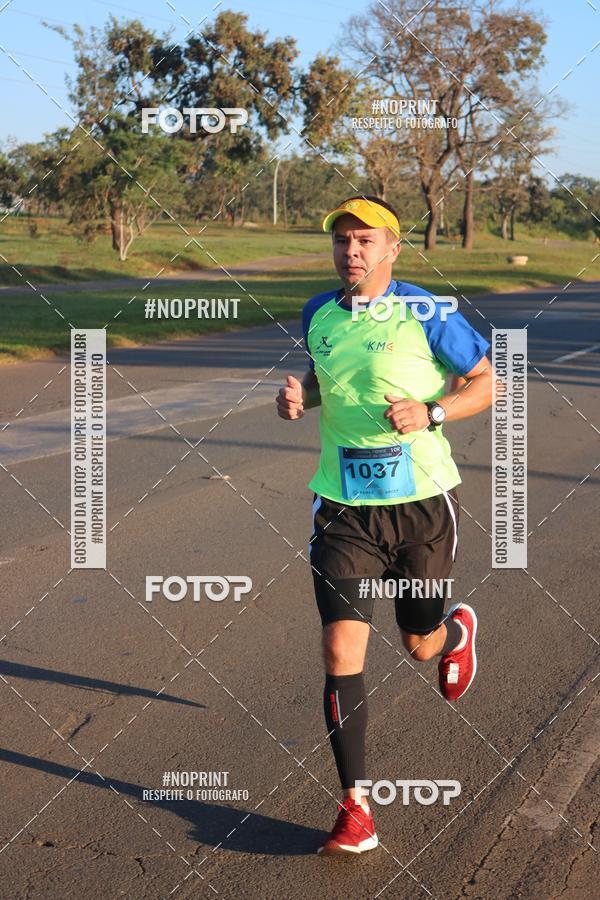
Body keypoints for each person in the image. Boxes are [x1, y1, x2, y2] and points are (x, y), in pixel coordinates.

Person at [276, 195, 493, 856]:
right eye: (343, 241)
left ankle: (454, 629)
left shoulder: (428, 312)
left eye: (367, 240)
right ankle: (357, 809)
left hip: (422, 503)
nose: (353, 252)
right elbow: (329, 377)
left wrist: (431, 413)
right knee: (341, 652)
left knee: (418, 644)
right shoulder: (319, 312)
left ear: (394, 249)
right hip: (342, 508)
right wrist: (299, 398)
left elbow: (487, 381)